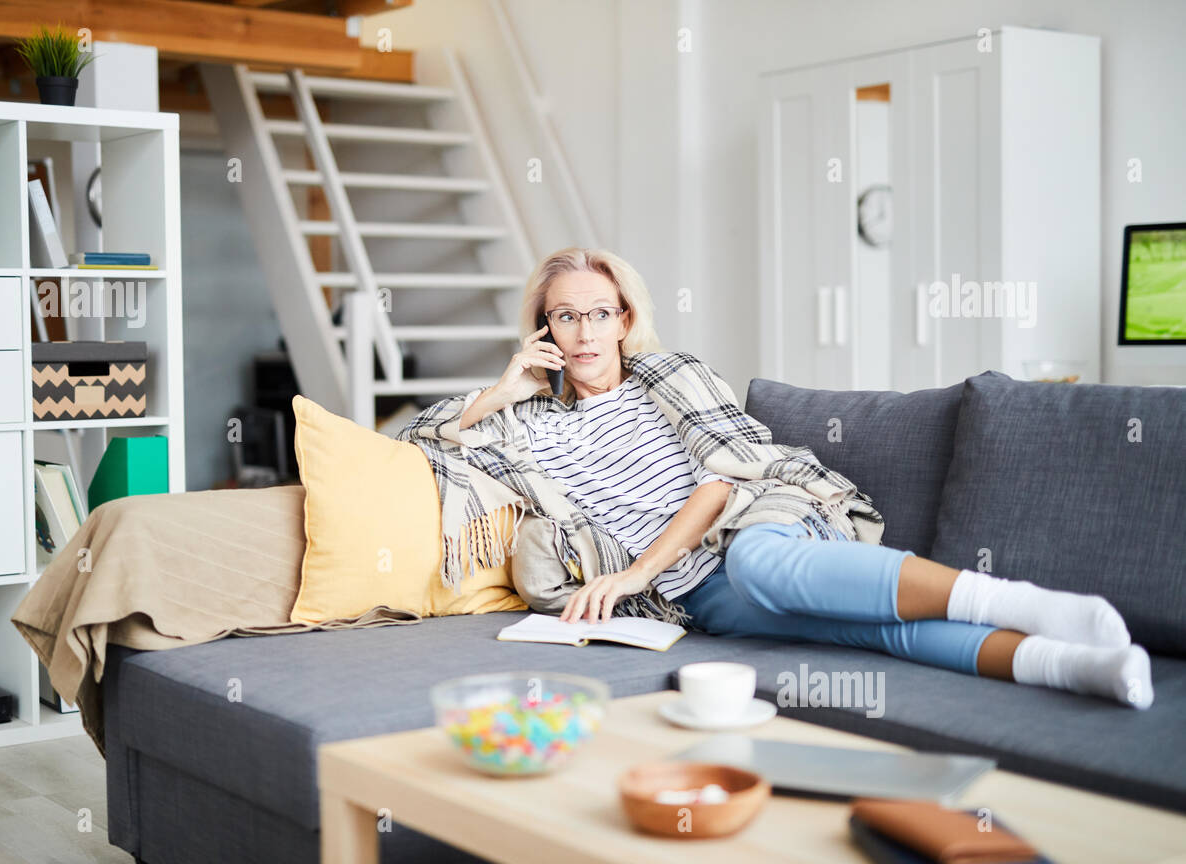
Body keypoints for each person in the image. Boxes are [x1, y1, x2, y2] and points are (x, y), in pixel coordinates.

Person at [455, 247, 1153, 709]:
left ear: (624, 319)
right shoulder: (527, 421)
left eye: (598, 313)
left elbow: (722, 479)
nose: (583, 331)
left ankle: (1023, 602)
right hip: (695, 594)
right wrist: (504, 385)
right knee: (858, 631)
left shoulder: (669, 377)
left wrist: (636, 572)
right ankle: (1070, 665)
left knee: (761, 562)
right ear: (543, 328)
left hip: (753, 522)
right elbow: (429, 440)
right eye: (564, 316)